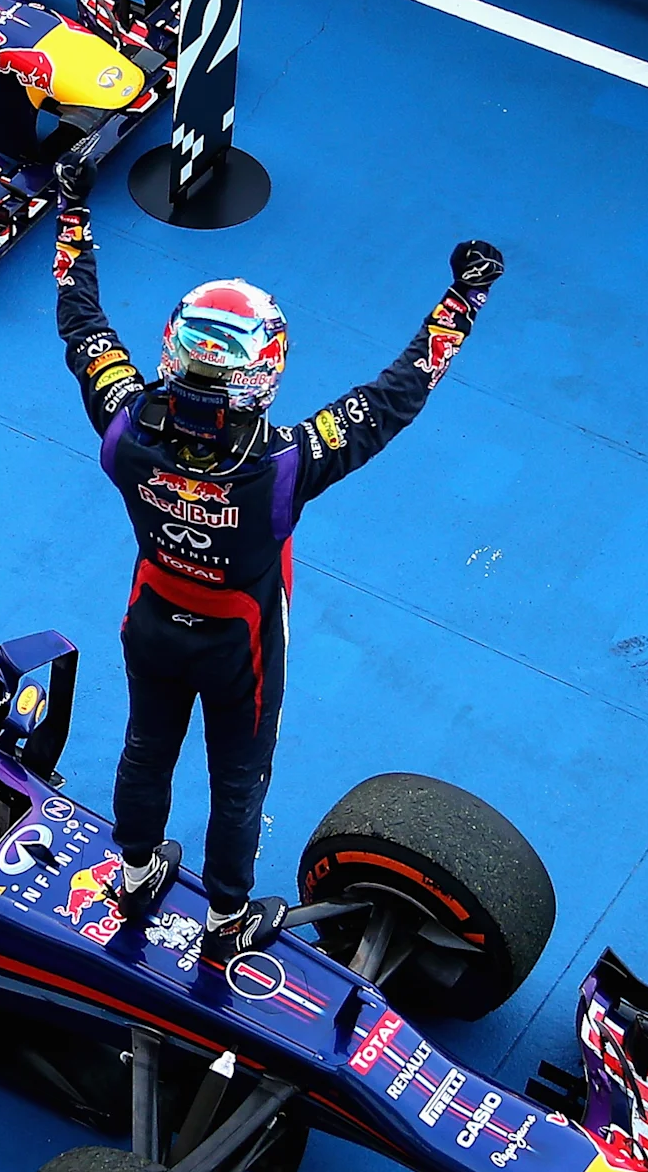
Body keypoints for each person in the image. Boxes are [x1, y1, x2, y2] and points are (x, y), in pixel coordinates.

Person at [49, 164, 503, 960]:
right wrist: (464, 298)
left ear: (172, 352)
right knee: (238, 781)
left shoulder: (123, 424)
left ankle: (134, 871)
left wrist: (72, 210)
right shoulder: (288, 463)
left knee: (145, 747)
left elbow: (81, 325)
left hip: (149, 621)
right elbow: (396, 395)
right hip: (242, 648)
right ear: (263, 373)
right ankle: (227, 916)